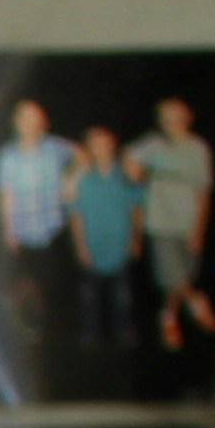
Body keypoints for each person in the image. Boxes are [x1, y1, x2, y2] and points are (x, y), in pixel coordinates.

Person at [130, 95, 215, 352]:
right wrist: (136, 167)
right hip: (160, 223)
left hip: (188, 224)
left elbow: (204, 192)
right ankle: (196, 304)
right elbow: (130, 166)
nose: (171, 123)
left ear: (187, 118)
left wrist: (198, 231)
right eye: (165, 118)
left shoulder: (199, 148)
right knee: (172, 274)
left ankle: (168, 318)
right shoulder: (152, 145)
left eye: (176, 117)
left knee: (180, 277)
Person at [0, 92, 77, 365]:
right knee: (25, 287)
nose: (33, 125)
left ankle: (54, 340)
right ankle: (29, 334)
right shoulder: (7, 157)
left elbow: (84, 156)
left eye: (38, 120)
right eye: (27, 119)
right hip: (24, 232)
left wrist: (71, 183)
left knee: (53, 285)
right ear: (17, 122)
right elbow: (5, 195)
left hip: (53, 230)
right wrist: (8, 230)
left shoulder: (55, 148)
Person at [68, 124, 149, 355]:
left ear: (113, 144)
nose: (100, 147)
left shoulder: (125, 175)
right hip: (92, 245)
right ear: (89, 148)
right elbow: (76, 215)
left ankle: (124, 332)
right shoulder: (81, 179)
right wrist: (80, 246)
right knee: (89, 297)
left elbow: (137, 209)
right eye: (94, 143)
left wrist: (136, 239)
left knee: (123, 295)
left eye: (104, 142)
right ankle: (89, 335)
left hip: (120, 246)